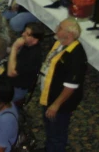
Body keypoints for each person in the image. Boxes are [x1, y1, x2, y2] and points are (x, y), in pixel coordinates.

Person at [39, 18, 87, 152]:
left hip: (60, 104)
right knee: (49, 128)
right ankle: (49, 148)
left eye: (59, 28)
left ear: (69, 35)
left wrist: (56, 105)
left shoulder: (76, 56)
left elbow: (70, 86)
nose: (56, 30)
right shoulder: (59, 44)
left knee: (57, 132)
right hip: (49, 96)